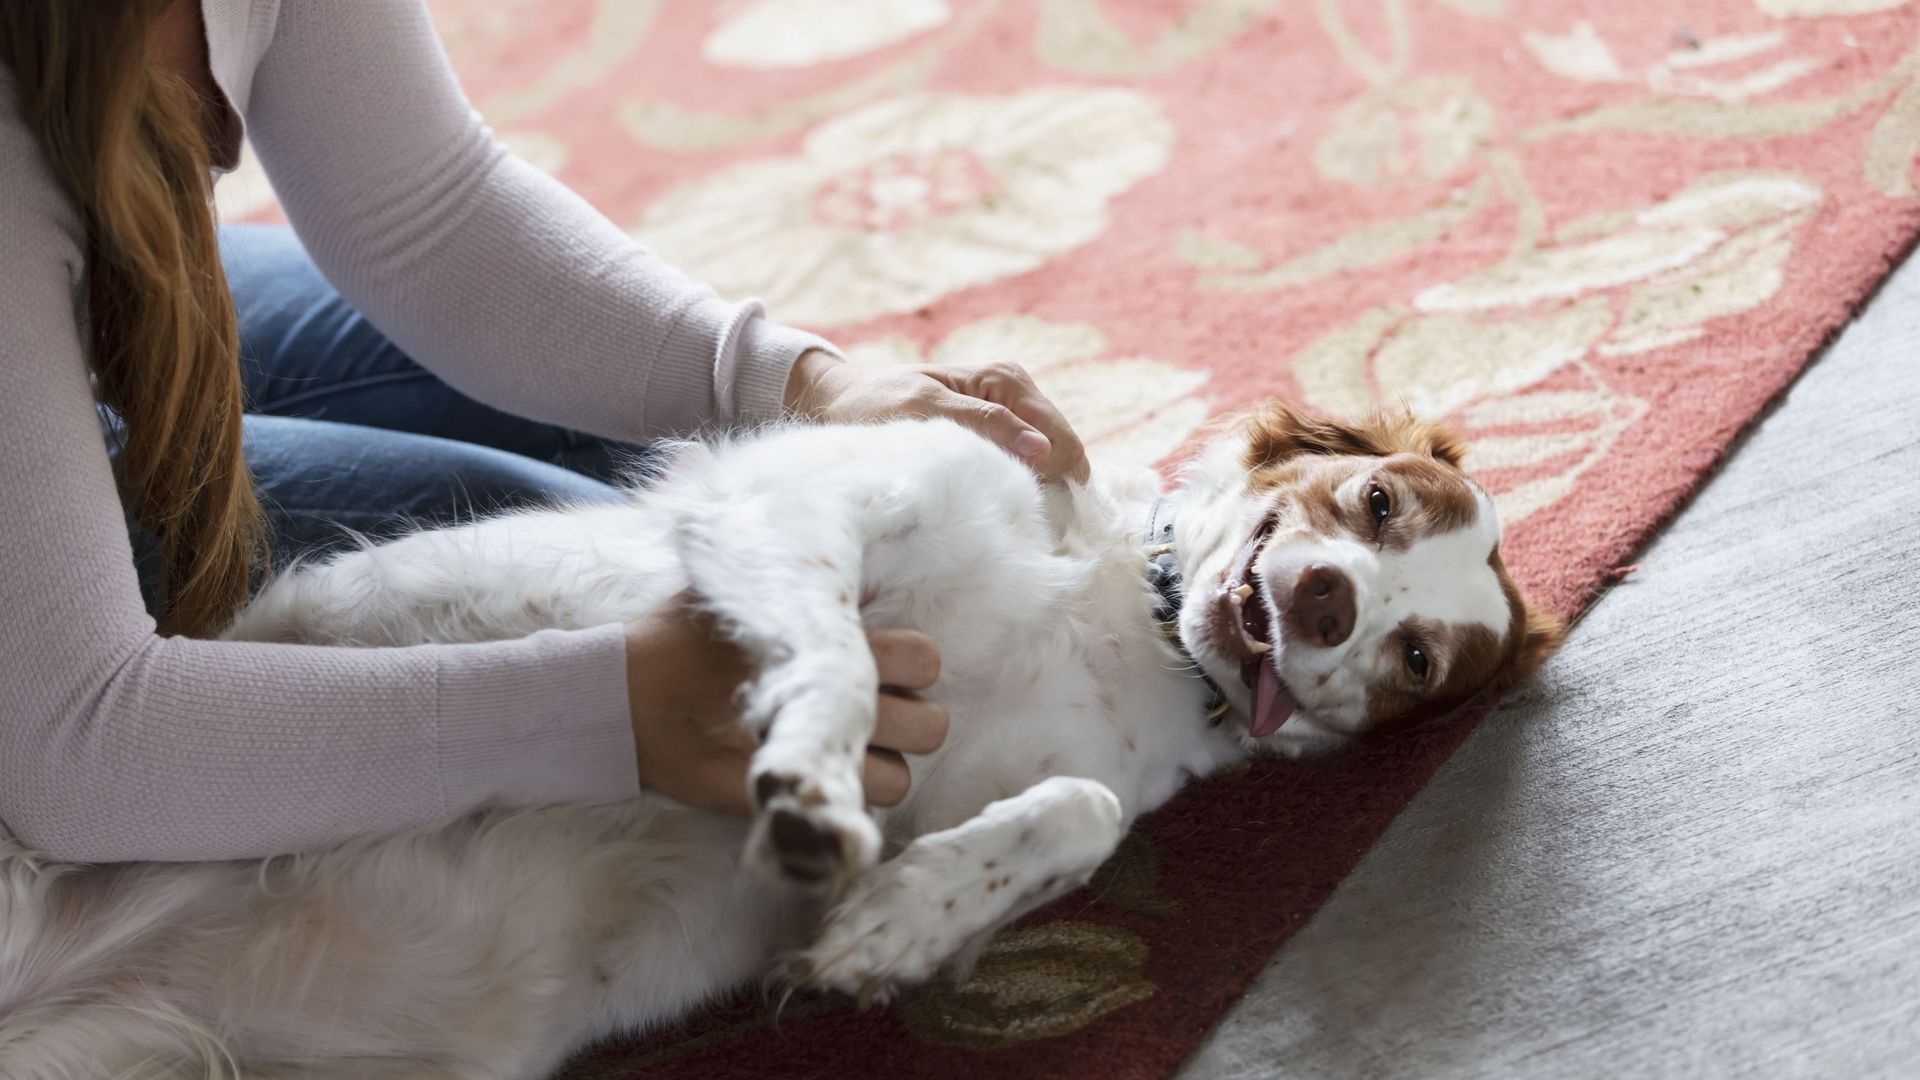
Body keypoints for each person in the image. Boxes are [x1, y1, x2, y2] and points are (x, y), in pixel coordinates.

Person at [0, 0, 1089, 864]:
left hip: (75, 267)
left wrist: (807, 389)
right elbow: (82, 747)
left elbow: (432, 217)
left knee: (669, 485)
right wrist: (614, 708)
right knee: (577, 572)